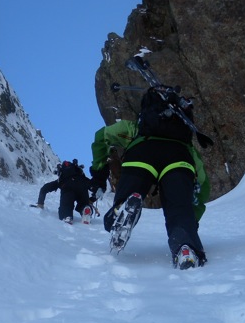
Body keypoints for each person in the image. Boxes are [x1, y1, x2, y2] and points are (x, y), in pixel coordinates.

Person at [88, 85, 211, 269]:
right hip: (179, 158)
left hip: (141, 152)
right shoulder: (186, 144)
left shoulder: (134, 129)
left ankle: (121, 209)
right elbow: (204, 184)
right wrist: (191, 220)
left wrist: (99, 173)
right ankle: (185, 246)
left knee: (128, 194)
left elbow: (101, 137)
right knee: (179, 209)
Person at [35, 159, 94, 224]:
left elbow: (44, 188)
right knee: (83, 203)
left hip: (67, 188)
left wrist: (40, 203)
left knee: (66, 207)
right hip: (82, 186)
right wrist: (93, 199)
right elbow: (93, 187)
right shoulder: (80, 176)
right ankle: (85, 208)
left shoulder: (62, 179)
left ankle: (67, 215)